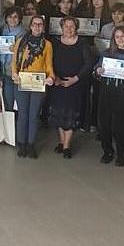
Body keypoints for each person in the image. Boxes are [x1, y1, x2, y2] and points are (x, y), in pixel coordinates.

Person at [94, 26, 124, 167]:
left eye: (123, 36)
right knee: (104, 123)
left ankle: (122, 154)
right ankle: (107, 151)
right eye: (117, 37)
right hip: (106, 90)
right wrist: (98, 70)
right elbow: (96, 70)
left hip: (123, 92)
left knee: (119, 125)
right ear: (113, 39)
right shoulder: (106, 53)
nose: (120, 39)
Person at [48, 17, 93, 159]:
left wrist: (75, 79)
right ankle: (61, 142)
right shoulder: (55, 43)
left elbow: (88, 64)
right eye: (66, 26)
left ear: (76, 28)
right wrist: (54, 77)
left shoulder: (83, 44)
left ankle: (67, 146)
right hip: (57, 84)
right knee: (58, 114)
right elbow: (49, 62)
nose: (69, 29)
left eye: (72, 26)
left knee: (70, 115)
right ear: (61, 27)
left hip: (75, 84)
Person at [12, 15, 56, 158]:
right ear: (30, 26)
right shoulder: (21, 41)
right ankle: (21, 144)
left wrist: (51, 77)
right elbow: (14, 61)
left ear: (43, 27)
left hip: (38, 83)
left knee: (34, 115)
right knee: (23, 114)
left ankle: (31, 144)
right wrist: (14, 74)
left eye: (40, 24)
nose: (37, 27)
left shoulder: (47, 45)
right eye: (35, 24)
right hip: (22, 82)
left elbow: (48, 64)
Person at [0, 7, 24, 112]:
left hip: (18, 73)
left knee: (19, 104)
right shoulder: (1, 31)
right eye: (10, 17)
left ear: (20, 19)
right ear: (6, 18)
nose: (12, 19)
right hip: (4, 72)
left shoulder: (24, 33)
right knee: (7, 103)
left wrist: (17, 49)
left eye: (15, 17)